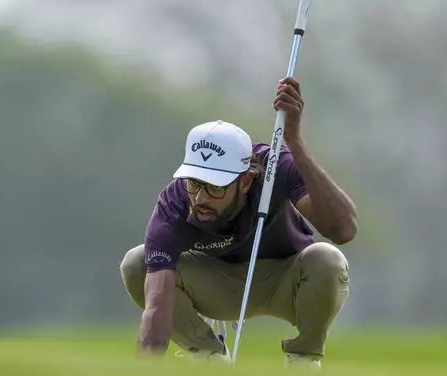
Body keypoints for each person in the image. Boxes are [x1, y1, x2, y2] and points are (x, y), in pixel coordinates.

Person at [119, 77, 358, 370]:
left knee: (328, 260)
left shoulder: (275, 167)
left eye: (215, 187)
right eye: (194, 183)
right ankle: (209, 358)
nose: (200, 198)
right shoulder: (175, 204)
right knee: (137, 263)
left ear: (245, 180)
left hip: (287, 281)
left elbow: (343, 229)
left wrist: (295, 143)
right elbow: (157, 308)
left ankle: (302, 360)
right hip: (219, 285)